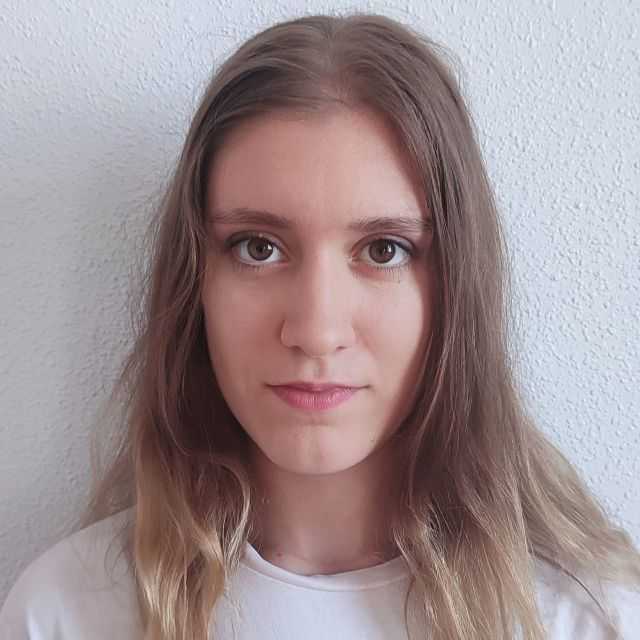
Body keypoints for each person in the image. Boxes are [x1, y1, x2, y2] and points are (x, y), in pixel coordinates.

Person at [1, 11, 639, 640]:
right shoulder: (66, 615)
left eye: (384, 250)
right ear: (193, 283)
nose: (316, 330)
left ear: (457, 290)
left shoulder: (587, 618)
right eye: (258, 248)